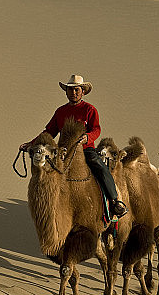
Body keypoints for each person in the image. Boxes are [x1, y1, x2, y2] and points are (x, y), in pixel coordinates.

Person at [20, 74, 128, 218]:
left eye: (77, 90)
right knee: (45, 170)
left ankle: (115, 202)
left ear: (83, 91)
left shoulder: (90, 110)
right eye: (70, 90)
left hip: (85, 149)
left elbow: (96, 129)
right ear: (66, 92)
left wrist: (87, 137)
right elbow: (49, 132)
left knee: (99, 166)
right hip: (63, 150)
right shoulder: (60, 111)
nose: (74, 93)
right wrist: (31, 144)